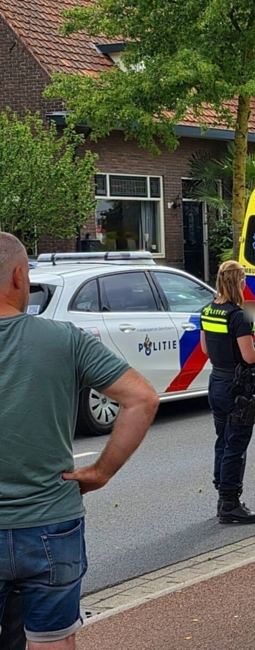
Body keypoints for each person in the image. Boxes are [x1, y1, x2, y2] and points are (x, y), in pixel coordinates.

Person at [0, 232, 158, 649]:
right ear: (19, 276)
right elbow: (141, 399)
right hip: (51, 523)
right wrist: (101, 472)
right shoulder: (64, 339)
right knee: (52, 642)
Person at [200, 260, 255, 525]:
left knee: (223, 440)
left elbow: (205, 349)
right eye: (244, 280)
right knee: (236, 445)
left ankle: (222, 496)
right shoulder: (239, 316)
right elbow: (248, 356)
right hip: (237, 388)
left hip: (216, 383)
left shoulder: (209, 311)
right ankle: (230, 505)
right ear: (239, 282)